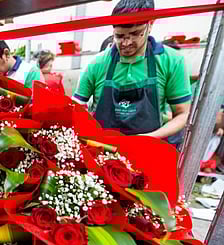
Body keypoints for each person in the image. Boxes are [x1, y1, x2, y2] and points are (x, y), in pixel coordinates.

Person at [73, 0, 192, 141]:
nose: (126, 43)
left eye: (135, 34)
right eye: (119, 36)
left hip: (147, 148)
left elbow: (182, 114)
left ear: (150, 24)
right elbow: (75, 107)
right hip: (101, 149)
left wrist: (145, 139)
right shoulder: (97, 63)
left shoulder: (171, 61)